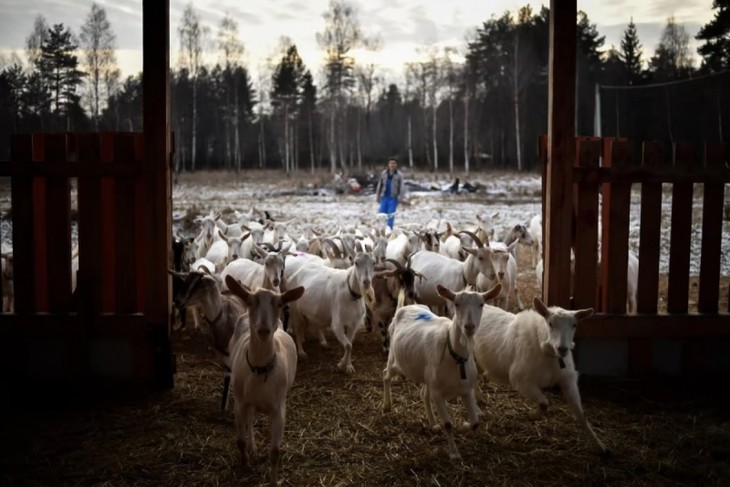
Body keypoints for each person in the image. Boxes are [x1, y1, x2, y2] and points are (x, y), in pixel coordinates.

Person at [375, 157, 406, 229]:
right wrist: (377, 195)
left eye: (394, 163)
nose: (392, 165)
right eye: (391, 163)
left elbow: (402, 187)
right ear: (388, 164)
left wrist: (400, 198)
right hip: (384, 197)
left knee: (391, 215)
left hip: (393, 198)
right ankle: (380, 230)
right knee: (381, 215)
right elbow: (380, 185)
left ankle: (389, 230)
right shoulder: (384, 173)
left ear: (396, 165)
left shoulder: (399, 175)